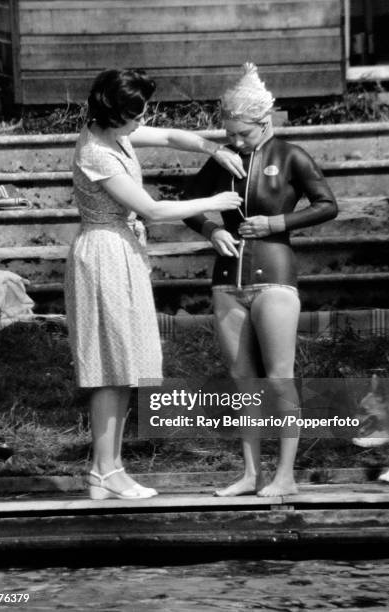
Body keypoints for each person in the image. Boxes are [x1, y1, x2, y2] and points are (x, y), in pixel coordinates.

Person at [64, 68, 244, 500]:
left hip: (121, 252)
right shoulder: (97, 153)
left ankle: (108, 470)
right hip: (104, 255)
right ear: (114, 114)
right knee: (110, 368)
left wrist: (213, 149)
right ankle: (106, 469)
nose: (142, 122)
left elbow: (169, 137)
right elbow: (154, 209)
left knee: (123, 368)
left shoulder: (116, 134)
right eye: (135, 114)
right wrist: (215, 202)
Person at [184, 63, 338, 497]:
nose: (234, 142)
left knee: (279, 377)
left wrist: (276, 223)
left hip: (274, 277)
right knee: (242, 379)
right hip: (227, 280)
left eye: (243, 134)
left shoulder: (290, 155)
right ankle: (250, 473)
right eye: (228, 133)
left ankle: (285, 474)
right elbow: (186, 202)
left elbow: (327, 204)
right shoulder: (224, 159)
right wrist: (211, 230)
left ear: (264, 123)